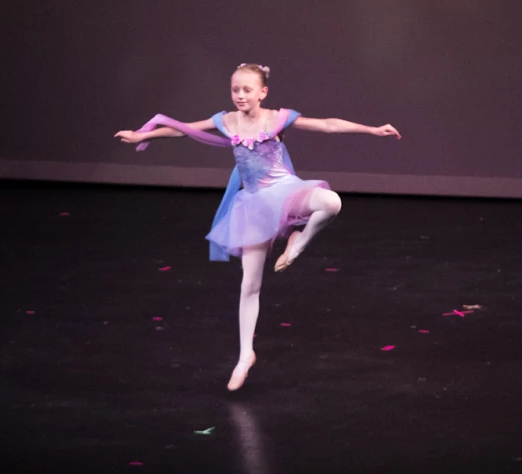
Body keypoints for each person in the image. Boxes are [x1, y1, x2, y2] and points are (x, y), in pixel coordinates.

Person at [114, 64, 401, 390]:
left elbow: (327, 125)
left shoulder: (277, 118)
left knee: (332, 202)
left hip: (286, 192)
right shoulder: (227, 121)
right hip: (252, 206)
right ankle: (244, 355)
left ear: (262, 92)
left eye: (247, 90)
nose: (240, 95)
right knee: (249, 285)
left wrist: (372, 130)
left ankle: (300, 242)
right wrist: (143, 135)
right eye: (235, 89)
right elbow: (183, 129)